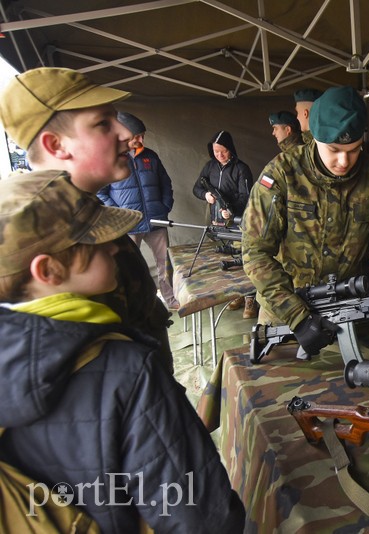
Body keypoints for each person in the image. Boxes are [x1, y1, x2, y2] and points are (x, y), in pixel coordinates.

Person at [0, 171, 245, 532]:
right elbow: (204, 518)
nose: (115, 247)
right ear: (48, 270)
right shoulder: (127, 372)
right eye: (95, 242)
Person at [242, 86, 369, 358]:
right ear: (315, 137)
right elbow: (255, 252)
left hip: (346, 309)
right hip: (285, 310)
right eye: (334, 149)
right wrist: (297, 316)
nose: (344, 161)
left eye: (354, 149)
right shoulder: (282, 174)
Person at [0, 67, 175, 374]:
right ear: (57, 145)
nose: (125, 134)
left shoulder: (98, 224)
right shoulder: (36, 243)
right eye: (103, 123)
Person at [98, 111, 179, 310]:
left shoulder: (150, 156)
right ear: (125, 134)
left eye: (143, 135)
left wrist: (165, 206)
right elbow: (101, 192)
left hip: (156, 220)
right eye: (137, 136)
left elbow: (165, 183)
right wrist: (121, 213)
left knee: (165, 264)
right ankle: (138, 306)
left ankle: (171, 301)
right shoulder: (111, 158)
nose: (141, 140)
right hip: (130, 225)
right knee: (129, 266)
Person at [192, 130, 256, 317]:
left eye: (223, 151)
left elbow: (246, 196)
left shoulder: (241, 169)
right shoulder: (209, 167)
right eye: (215, 151)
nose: (219, 155)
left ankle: (250, 299)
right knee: (227, 262)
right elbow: (196, 188)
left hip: (238, 223)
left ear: (231, 149)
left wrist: (232, 210)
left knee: (244, 260)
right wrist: (205, 195)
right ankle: (237, 294)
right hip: (216, 223)